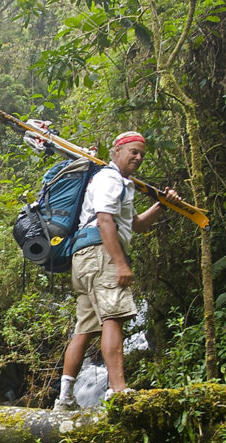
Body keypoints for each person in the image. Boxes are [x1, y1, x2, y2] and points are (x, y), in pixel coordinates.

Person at [53, 131, 183, 410]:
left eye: (141, 154)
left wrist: (162, 205)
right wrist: (121, 263)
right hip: (100, 254)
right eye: (132, 151)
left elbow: (134, 225)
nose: (137, 157)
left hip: (84, 257)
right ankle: (119, 391)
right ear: (116, 151)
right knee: (113, 317)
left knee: (84, 329)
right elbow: (104, 220)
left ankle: (64, 398)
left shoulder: (120, 183)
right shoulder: (110, 178)